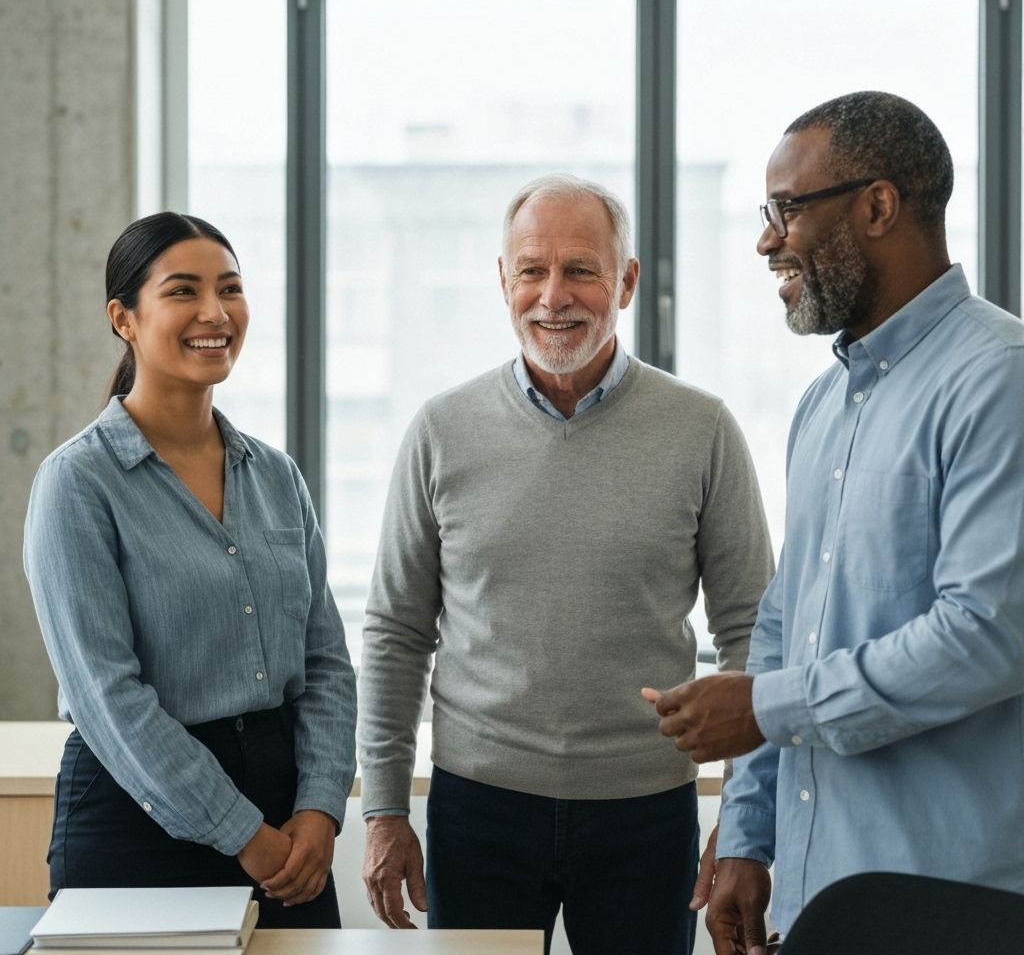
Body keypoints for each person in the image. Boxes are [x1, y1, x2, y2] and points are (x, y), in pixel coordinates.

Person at [645, 92, 1024, 954]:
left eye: (786, 210)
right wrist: (747, 830)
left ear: (878, 206)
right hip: (824, 895)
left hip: (950, 899)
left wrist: (768, 709)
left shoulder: (998, 380)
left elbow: (989, 636)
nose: (766, 239)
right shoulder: (822, 406)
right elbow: (784, 631)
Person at [358, 173, 775, 954]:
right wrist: (383, 811)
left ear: (626, 280)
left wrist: (746, 819)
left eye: (581, 269)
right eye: (532, 270)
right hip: (477, 807)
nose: (555, 295)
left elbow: (755, 631)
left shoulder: (702, 429)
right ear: (503, 280)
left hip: (646, 811)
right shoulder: (441, 430)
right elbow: (395, 632)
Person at [23, 213, 356, 927]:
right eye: (184, 291)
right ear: (125, 319)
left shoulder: (275, 475)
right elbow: (109, 697)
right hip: (135, 822)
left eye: (231, 289)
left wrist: (321, 808)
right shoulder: (77, 483)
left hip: (289, 826)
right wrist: (242, 833)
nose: (216, 312)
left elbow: (326, 662)